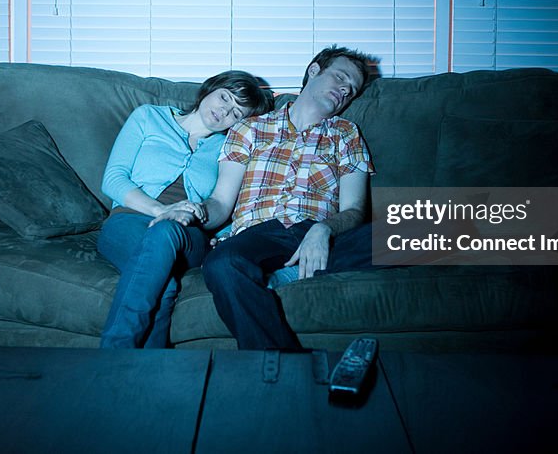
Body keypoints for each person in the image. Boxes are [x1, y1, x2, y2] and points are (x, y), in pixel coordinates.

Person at [188, 45, 377, 350]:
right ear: (314, 71)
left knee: (436, 227)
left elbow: (355, 210)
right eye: (340, 78)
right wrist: (193, 211)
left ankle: (283, 275)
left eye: (351, 90)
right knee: (222, 264)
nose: (344, 91)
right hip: (259, 235)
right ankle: (285, 365)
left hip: (322, 237)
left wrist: (324, 229)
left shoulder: (346, 133)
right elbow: (221, 202)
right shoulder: (249, 128)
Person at [96, 70, 273, 348]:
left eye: (237, 113)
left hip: (188, 236)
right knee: (163, 286)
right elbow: (113, 179)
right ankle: (151, 375)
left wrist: (202, 218)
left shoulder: (229, 147)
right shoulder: (148, 117)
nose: (225, 111)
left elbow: (224, 202)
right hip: (127, 222)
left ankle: (112, 357)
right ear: (209, 89)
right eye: (225, 97)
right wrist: (161, 210)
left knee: (168, 231)